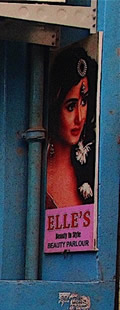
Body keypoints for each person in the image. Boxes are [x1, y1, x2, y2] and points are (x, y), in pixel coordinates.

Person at [46, 46, 97, 209]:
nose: (79, 117)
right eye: (70, 106)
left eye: (84, 103)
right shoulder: (36, 167)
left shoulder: (91, 167)